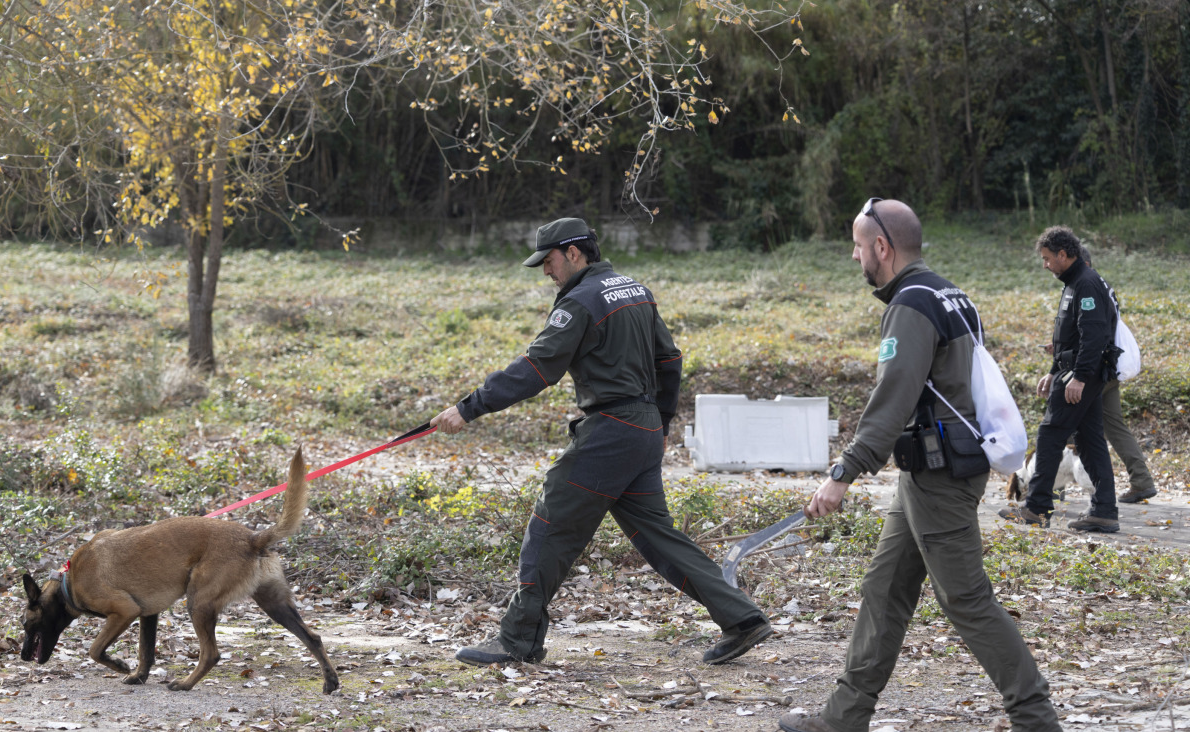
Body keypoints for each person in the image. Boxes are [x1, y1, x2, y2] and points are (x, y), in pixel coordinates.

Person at [431, 217, 772, 667]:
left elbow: (538, 368)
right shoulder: (635, 289)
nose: (546, 273)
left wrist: (468, 407)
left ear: (574, 252)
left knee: (549, 524)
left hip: (612, 429)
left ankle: (518, 640)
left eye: (549, 262)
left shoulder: (580, 302)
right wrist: (661, 424)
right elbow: (669, 359)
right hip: (644, 427)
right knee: (659, 537)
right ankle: (743, 618)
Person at [777, 199, 1061, 732]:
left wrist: (843, 474)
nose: (854, 255)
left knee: (966, 599)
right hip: (928, 470)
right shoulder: (949, 294)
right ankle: (845, 716)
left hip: (941, 475)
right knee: (885, 589)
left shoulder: (910, 305)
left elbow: (894, 398)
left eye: (859, 246)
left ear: (882, 248)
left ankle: (1036, 718)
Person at [998, 227, 1121, 532]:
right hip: (1075, 371)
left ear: (1064, 254)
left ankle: (1037, 507)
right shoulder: (1074, 283)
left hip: (1083, 374)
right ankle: (1104, 511)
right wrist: (1054, 371)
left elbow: (1093, 338)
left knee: (1051, 434)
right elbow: (1071, 336)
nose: (1045, 265)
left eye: (1048, 258)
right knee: (1090, 441)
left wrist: (1078, 378)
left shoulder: (1087, 284)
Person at [1079, 247, 1158, 504]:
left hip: (1096, 368)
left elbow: (1093, 332)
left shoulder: (1089, 286)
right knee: (1115, 426)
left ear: (1084, 263)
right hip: (1109, 367)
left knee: (1063, 421)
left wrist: (1080, 368)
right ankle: (1142, 481)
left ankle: (1050, 487)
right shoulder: (1104, 285)